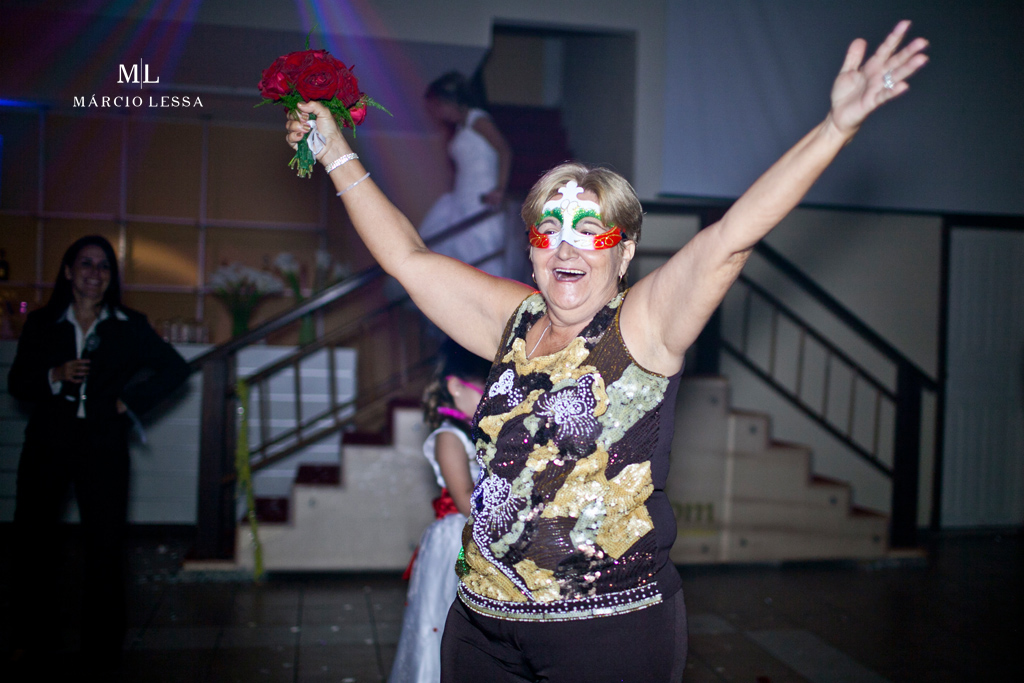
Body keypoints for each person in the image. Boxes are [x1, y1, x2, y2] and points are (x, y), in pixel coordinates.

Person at [286, 21, 928, 682]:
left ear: (623, 252)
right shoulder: (512, 319)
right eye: (548, 231)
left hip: (606, 634)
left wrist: (835, 127)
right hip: (480, 626)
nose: (565, 248)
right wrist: (334, 147)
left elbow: (732, 236)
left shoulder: (643, 325)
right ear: (531, 248)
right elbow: (408, 257)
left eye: (588, 231)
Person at [6, 235, 189, 675]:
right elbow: (18, 383)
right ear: (68, 272)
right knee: (35, 543)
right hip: (48, 443)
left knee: (105, 549)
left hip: (103, 446)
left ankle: (102, 650)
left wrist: (129, 403)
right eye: (85, 264)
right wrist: (55, 375)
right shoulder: (43, 322)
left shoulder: (128, 323)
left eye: (104, 266)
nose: (95, 272)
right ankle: (34, 640)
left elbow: (176, 368)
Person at [389, 340, 492, 683]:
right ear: (454, 387)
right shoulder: (450, 437)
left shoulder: (482, 432)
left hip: (478, 534)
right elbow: (465, 498)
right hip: (457, 543)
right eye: (485, 391)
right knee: (447, 614)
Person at [418, 71, 512, 277]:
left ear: (449, 102)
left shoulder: (477, 120)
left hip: (481, 196)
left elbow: (504, 149)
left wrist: (500, 188)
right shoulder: (460, 128)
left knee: (480, 252)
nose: (437, 112)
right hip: (462, 196)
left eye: (438, 105)